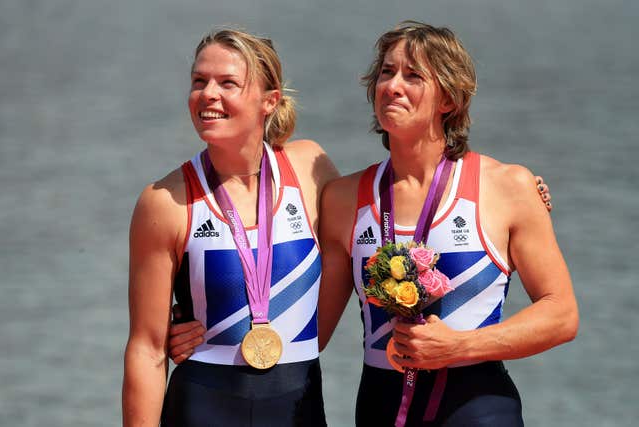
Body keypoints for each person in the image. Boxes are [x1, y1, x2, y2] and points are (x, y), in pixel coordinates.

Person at [163, 22, 565, 426]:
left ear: (449, 97)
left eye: (413, 75)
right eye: (386, 73)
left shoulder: (507, 187)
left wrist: (460, 346)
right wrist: (195, 329)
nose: (392, 86)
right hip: (380, 409)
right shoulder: (344, 198)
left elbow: (561, 314)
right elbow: (303, 324)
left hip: (476, 410)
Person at [122, 28, 339, 427]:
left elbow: (366, 250)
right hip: (202, 407)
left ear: (269, 101)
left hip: (301, 409)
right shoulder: (165, 201)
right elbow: (147, 350)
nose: (208, 94)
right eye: (199, 81)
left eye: (228, 83)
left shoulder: (312, 170)